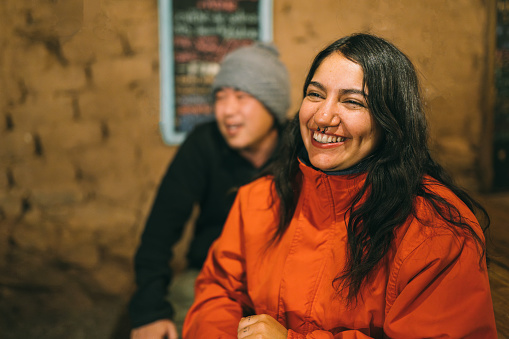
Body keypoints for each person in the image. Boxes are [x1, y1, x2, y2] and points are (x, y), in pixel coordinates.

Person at [182, 33, 498, 338]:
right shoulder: (261, 198)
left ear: (392, 121)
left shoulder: (435, 231)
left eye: (352, 102)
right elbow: (218, 292)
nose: (323, 116)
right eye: (315, 94)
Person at [129, 42, 291, 339]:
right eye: (220, 97)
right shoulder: (204, 144)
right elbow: (158, 234)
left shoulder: (301, 151)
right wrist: (150, 311)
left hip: (281, 284)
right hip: (209, 276)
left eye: (242, 97)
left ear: (273, 104)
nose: (227, 110)